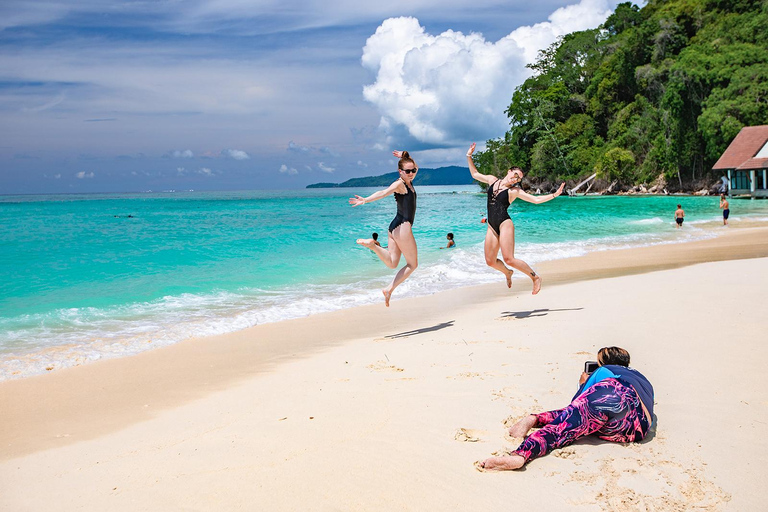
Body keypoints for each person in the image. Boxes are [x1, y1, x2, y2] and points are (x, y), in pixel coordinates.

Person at [476, 346, 653, 471]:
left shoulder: (604, 371)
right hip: (635, 429)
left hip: (611, 393)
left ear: (604, 363)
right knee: (579, 417)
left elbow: (575, 405)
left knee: (562, 427)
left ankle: (520, 455)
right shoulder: (642, 378)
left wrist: (582, 383)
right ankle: (534, 419)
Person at [466, 143, 565, 295]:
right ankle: (507, 273)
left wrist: (554, 195)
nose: (516, 179)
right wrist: (469, 156)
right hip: (492, 226)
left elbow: (535, 200)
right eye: (515, 175)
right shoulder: (492, 180)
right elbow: (475, 174)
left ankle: (535, 277)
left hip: (505, 224)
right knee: (490, 261)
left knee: (509, 258)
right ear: (509, 171)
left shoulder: (515, 191)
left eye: (519, 178)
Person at [350, 150, 419, 307]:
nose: (412, 173)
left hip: (394, 226)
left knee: (393, 263)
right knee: (412, 264)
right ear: (400, 171)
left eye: (413, 170)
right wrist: (366, 200)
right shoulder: (399, 184)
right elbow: (383, 192)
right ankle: (390, 288)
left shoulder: (409, 181)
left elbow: (416, 166)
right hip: (403, 227)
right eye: (408, 171)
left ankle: (373, 246)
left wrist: (405, 154)